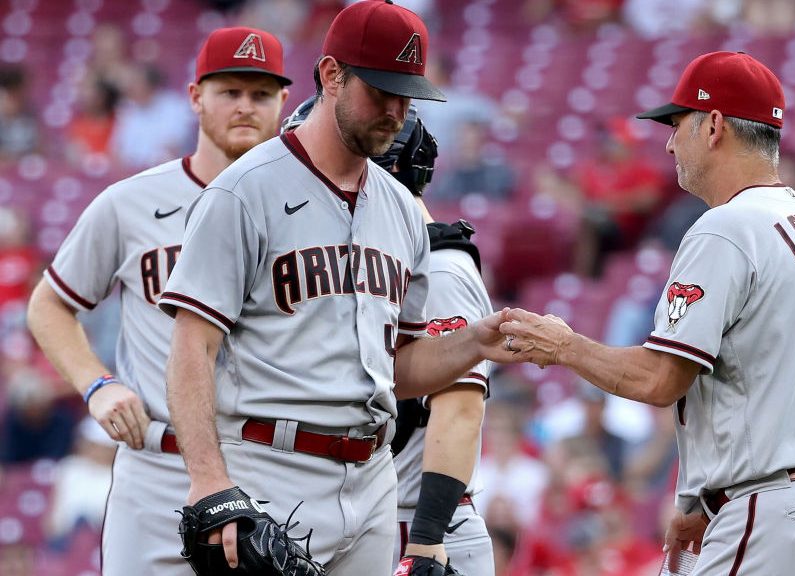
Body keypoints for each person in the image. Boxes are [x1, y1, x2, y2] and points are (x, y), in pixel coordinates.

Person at [499, 51, 795, 574]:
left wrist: (564, 345)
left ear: (713, 125)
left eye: (677, 123)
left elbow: (662, 379)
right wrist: (709, 501)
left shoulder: (727, 226)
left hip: (782, 515)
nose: (667, 141)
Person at [157, 2, 511, 574]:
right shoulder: (244, 192)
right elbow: (192, 347)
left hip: (374, 481)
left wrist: (476, 342)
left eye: (408, 95)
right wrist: (209, 482)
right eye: (381, 91)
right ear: (331, 75)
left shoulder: (401, 209)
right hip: (273, 469)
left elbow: (397, 372)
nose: (397, 112)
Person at [25, 26, 292, 574]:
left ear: (284, 103)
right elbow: (49, 304)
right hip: (159, 465)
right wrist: (96, 384)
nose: (246, 106)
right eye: (229, 91)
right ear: (195, 97)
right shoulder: (130, 203)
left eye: (261, 93)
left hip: (276, 463)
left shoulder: (308, 207)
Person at [283, 96, 496, 575]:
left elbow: (459, 407)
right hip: (368, 519)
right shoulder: (373, 264)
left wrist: (425, 541)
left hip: (419, 526)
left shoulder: (439, 268)